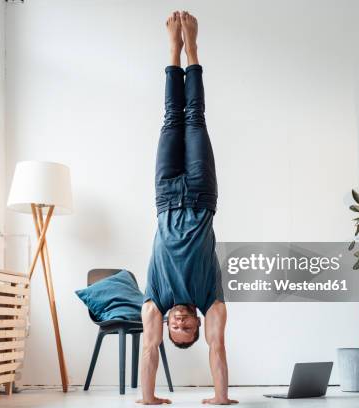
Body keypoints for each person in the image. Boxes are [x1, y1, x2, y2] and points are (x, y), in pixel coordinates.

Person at [138, 11, 237, 406]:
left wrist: (148, 400)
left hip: (164, 196)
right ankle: (192, 49)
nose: (178, 321)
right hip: (200, 194)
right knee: (194, 118)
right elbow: (217, 349)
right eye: (186, 326)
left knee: (169, 120)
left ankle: (172, 51)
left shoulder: (154, 301)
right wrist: (220, 399)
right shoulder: (210, 298)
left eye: (174, 327)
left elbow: (148, 350)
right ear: (198, 322)